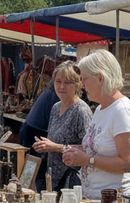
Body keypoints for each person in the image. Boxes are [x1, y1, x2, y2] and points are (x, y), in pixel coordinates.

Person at [62, 49, 130, 200]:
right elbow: (100, 148)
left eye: (84, 79)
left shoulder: (122, 111)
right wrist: (77, 152)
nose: (82, 85)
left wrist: (87, 160)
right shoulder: (100, 109)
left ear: (100, 78)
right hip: (98, 201)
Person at [32, 62, 92, 193]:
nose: (61, 86)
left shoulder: (81, 111)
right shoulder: (56, 107)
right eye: (58, 81)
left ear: (77, 85)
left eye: (68, 82)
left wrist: (56, 147)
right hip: (53, 179)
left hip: (71, 182)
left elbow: (90, 149)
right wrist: (44, 146)